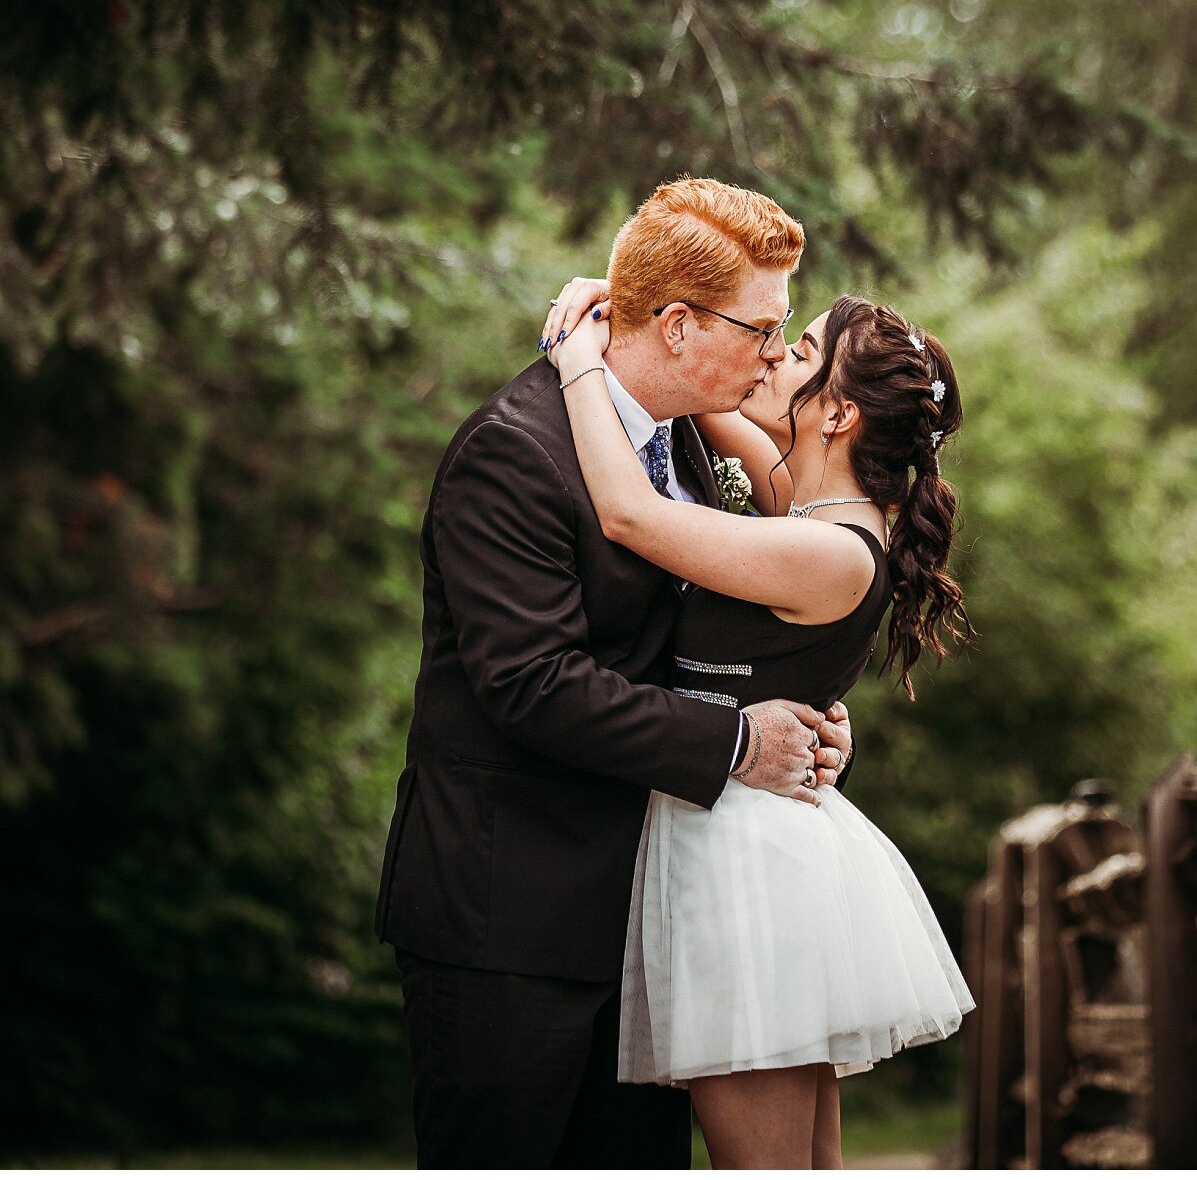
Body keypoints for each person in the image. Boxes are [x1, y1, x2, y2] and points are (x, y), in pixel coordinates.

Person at [375, 179, 856, 1168]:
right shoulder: (511, 454)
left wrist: (801, 724)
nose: (776, 354)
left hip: (640, 922)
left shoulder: (683, 440)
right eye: (762, 329)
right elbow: (534, 684)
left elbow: (693, 637)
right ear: (675, 326)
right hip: (506, 921)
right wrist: (735, 741)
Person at [538, 277, 976, 1169]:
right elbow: (705, 397)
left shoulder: (825, 547)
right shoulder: (808, 507)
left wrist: (577, 358)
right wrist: (631, 307)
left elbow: (629, 513)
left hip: (747, 869)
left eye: (802, 350)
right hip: (740, 842)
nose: (776, 354)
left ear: (840, 414)